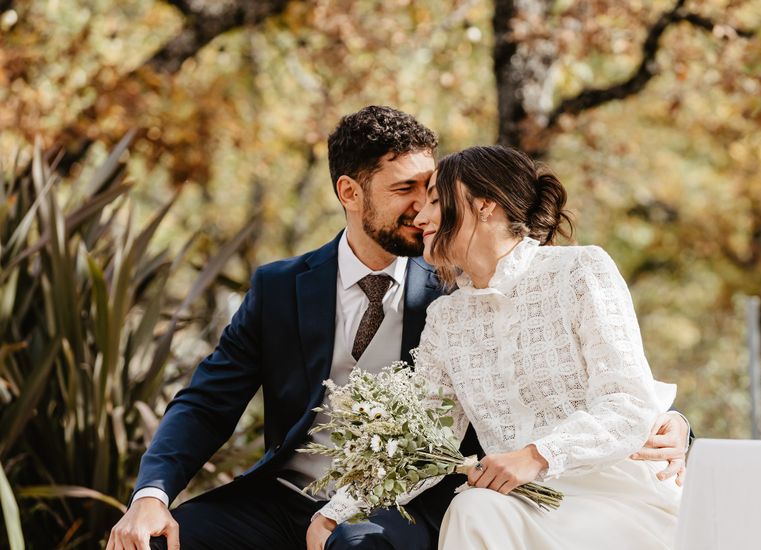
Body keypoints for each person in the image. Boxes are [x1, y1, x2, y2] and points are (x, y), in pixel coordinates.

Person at [107, 107, 690, 550]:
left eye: (433, 192)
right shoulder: (290, 288)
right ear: (349, 193)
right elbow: (209, 401)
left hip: (446, 503)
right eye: (406, 191)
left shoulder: (491, 279)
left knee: (391, 535)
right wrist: (152, 495)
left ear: (481, 206)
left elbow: (620, 387)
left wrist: (675, 427)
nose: (423, 211)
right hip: (288, 494)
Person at [311, 144, 682, 549]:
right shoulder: (446, 319)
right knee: (473, 508)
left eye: (435, 200)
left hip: (615, 496)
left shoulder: (580, 270)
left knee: (478, 507)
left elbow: (628, 403)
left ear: (485, 205)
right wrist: (334, 513)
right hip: (516, 505)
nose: (420, 217)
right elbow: (424, 443)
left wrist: (537, 455)